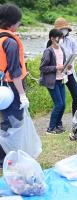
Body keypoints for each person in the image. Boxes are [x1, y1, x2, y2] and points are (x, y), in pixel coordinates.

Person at [0, 3, 29, 162]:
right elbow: (15, 72)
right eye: (18, 22)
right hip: (11, 88)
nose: (19, 25)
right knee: (13, 122)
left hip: (1, 87)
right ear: (11, 22)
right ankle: (5, 156)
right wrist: (23, 95)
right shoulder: (10, 42)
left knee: (5, 120)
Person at [39, 29, 66, 134]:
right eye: (59, 37)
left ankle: (58, 125)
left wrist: (67, 66)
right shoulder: (48, 51)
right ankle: (50, 128)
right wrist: (56, 68)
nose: (61, 39)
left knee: (63, 104)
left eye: (62, 37)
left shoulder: (62, 49)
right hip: (52, 81)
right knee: (58, 104)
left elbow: (62, 65)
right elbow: (42, 68)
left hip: (61, 79)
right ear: (52, 38)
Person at [54, 17, 77, 116]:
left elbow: (73, 54)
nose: (63, 31)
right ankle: (58, 122)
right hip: (58, 74)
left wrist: (70, 65)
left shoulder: (71, 40)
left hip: (69, 72)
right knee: (60, 101)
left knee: (76, 96)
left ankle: (76, 118)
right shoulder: (52, 41)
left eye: (65, 29)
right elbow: (50, 57)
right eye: (61, 29)